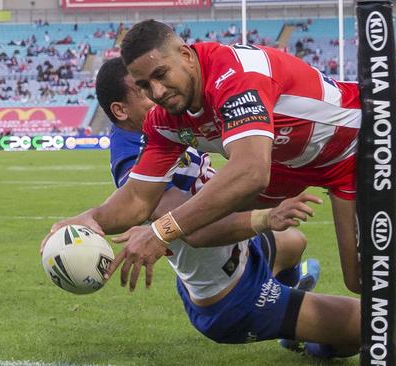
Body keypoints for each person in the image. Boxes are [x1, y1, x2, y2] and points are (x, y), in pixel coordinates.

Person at [51, 57, 360, 357]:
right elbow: (196, 231)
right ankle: (304, 337)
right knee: (367, 325)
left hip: (239, 253)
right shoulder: (134, 164)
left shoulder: (161, 127)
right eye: (144, 90)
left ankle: (292, 308)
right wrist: (266, 216)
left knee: (294, 242)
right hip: (233, 299)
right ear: (120, 110)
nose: (156, 94)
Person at [58, 20, 364, 294]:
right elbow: (138, 198)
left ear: (186, 56)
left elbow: (251, 171)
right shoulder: (164, 119)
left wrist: (161, 231)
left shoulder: (234, 75)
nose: (157, 91)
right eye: (143, 86)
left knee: (365, 280)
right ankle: (290, 305)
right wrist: (92, 219)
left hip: (356, 145)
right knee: (200, 224)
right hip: (292, 164)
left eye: (161, 74)